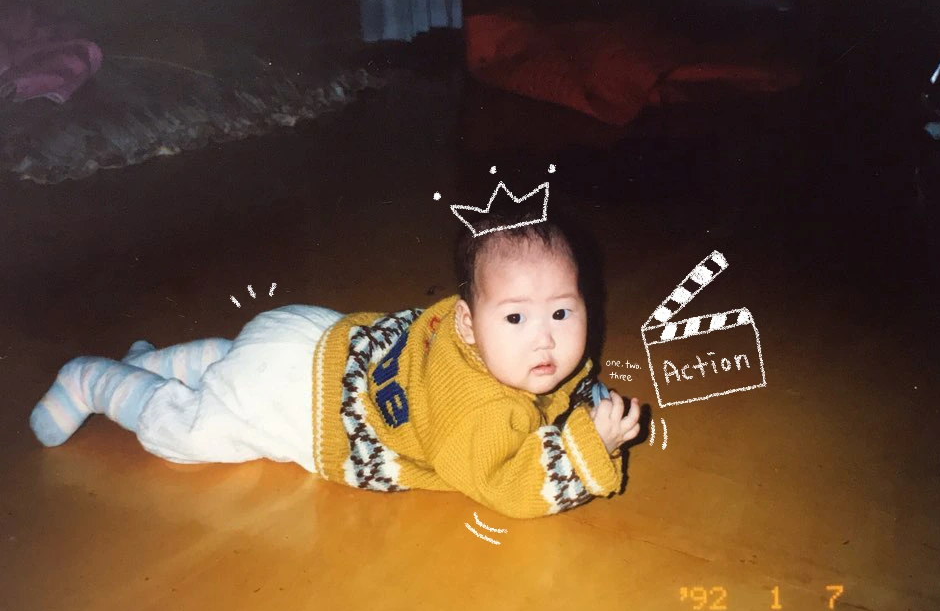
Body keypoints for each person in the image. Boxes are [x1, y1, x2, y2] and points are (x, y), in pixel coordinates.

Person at [29, 210, 642, 519]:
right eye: (515, 318)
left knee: (232, 363)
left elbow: (563, 388)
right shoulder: (475, 411)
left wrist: (586, 403)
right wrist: (591, 445)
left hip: (313, 336)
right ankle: (94, 381)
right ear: (467, 322)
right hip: (302, 406)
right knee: (186, 434)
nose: (545, 340)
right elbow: (506, 486)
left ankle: (153, 362)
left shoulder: (470, 332)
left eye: (561, 312)